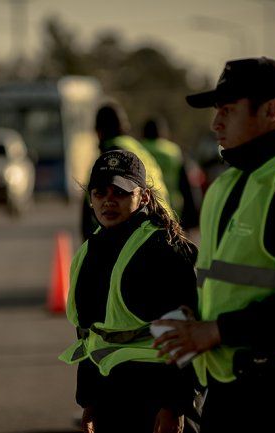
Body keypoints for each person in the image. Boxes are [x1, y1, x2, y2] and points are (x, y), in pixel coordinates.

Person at [153, 57, 275, 433]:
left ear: (271, 111)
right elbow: (225, 288)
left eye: (228, 111)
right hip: (228, 400)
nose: (215, 123)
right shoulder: (227, 185)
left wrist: (216, 331)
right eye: (216, 111)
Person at [60, 149, 198, 433]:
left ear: (143, 197)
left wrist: (174, 406)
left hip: (154, 396)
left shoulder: (164, 249)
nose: (109, 201)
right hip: (110, 394)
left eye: (120, 193)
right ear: (90, 199)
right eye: (100, 193)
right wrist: (89, 401)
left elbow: (184, 332)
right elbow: (90, 335)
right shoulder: (89, 251)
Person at [80, 102, 171, 240]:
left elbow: (94, 204)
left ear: (98, 131)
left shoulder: (112, 155)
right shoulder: (137, 147)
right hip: (163, 221)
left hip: (138, 228)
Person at [140, 117, 200, 230]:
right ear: (163, 132)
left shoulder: (140, 149)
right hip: (173, 207)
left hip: (146, 205)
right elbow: (185, 184)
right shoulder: (173, 151)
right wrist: (193, 215)